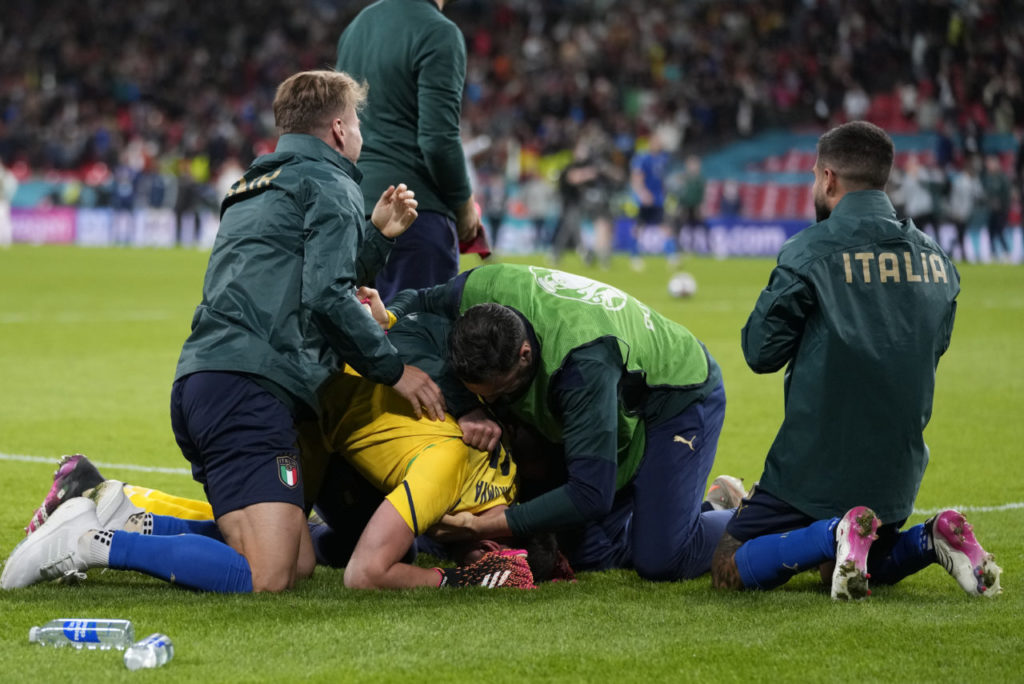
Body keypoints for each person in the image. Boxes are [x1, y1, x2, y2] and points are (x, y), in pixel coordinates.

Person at [1, 70, 445, 594]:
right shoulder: (330, 183)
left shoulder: (253, 183)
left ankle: (128, 519)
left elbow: (307, 279)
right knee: (267, 574)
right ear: (341, 128)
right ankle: (90, 543)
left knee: (297, 557)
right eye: (359, 122)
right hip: (250, 389)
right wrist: (396, 371)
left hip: (205, 380)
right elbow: (328, 296)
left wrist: (376, 237)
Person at [708, 121, 1001, 600]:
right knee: (838, 570)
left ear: (827, 179)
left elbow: (759, 353)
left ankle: (836, 532)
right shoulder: (937, 260)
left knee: (726, 566)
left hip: (813, 468)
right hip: (895, 478)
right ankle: (931, 537)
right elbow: (934, 348)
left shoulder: (810, 251)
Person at [387, 263, 733, 582]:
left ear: (524, 354)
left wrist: (482, 526)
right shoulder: (481, 288)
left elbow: (589, 494)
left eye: (502, 391)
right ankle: (675, 510)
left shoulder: (582, 368)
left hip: (676, 395)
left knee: (661, 560)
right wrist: (384, 316)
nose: (493, 405)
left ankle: (748, 514)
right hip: (615, 390)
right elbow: (410, 306)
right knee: (589, 552)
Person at [336, 0, 482, 302]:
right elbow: (438, 140)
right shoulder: (438, 31)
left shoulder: (355, 29)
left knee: (356, 341)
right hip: (413, 212)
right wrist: (464, 204)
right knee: (416, 340)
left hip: (351, 210)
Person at [628, 131, 672, 270]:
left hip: (658, 199)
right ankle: (635, 256)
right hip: (645, 200)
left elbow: (663, 179)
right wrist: (642, 193)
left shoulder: (664, 158)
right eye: (655, 141)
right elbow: (636, 177)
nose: (658, 144)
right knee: (638, 228)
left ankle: (672, 255)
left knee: (664, 227)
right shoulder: (643, 158)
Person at [982, 153, 1012, 262]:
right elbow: (984, 194)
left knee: (1000, 231)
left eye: (991, 163)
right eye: (988, 163)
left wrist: (1004, 208)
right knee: (990, 232)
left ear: (996, 164)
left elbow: (1007, 194)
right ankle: (993, 253)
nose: (989, 165)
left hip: (1000, 211)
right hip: (990, 210)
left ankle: (1006, 252)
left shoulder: (1002, 177)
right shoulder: (986, 178)